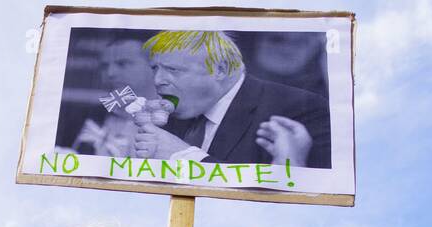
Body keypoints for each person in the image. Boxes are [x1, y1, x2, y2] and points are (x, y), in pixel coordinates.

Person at [132, 30, 331, 169]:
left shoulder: (303, 110)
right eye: (155, 69)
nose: (157, 81)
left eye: (173, 70)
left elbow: (293, 199)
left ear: (221, 69)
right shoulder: (169, 117)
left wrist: (184, 157)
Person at [59, 36, 159, 157]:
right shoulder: (83, 117)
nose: (110, 73)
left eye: (122, 64)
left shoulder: (178, 121)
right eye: (104, 66)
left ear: (154, 67)